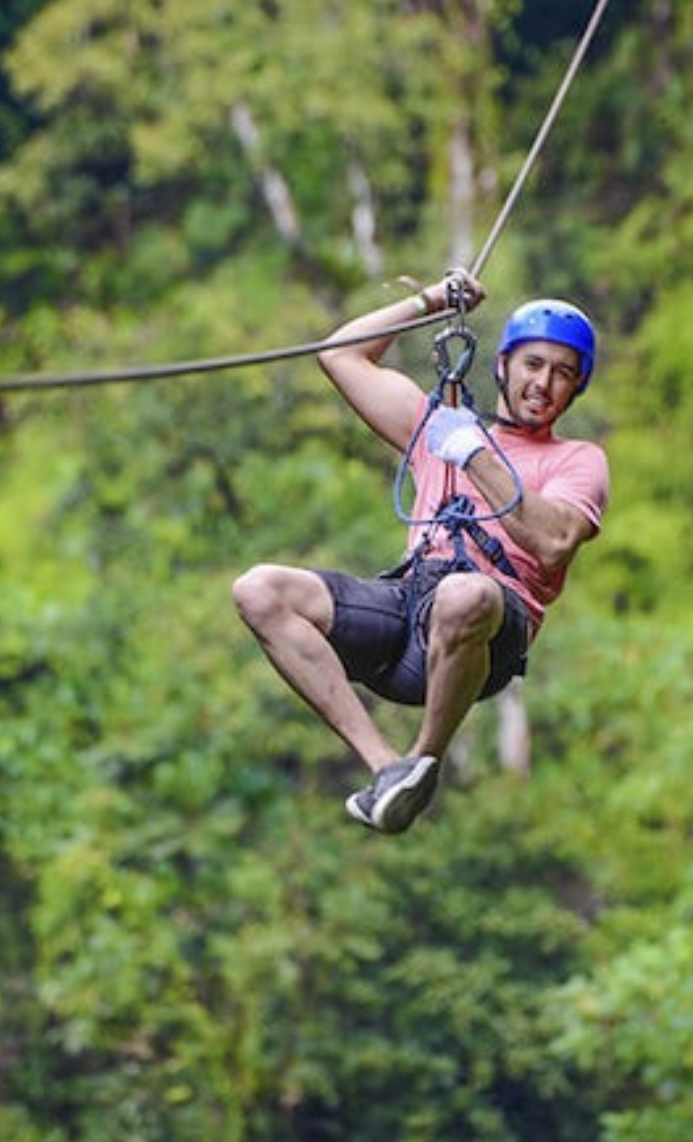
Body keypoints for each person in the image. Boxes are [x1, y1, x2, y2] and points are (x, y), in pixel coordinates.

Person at [232, 268, 609, 834]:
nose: (543, 384)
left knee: (464, 594)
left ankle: (424, 758)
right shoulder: (437, 425)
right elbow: (339, 355)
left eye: (562, 374)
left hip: (487, 626)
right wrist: (431, 300)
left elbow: (552, 543)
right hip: (409, 608)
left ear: (574, 389)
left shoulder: (576, 460)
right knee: (260, 590)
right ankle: (388, 768)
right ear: (503, 365)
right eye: (533, 364)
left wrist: (473, 453)